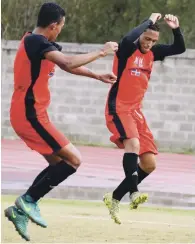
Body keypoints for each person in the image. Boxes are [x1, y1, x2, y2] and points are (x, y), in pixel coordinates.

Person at [4, 2, 118, 241]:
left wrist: (96, 75)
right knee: (74, 160)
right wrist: (102, 51)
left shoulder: (42, 45)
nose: (61, 31)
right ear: (53, 25)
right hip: (30, 114)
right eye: (61, 27)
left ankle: (19, 211)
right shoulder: (35, 42)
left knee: (58, 164)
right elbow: (66, 62)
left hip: (32, 113)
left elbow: (67, 66)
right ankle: (27, 201)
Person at [103, 13, 186, 224]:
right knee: (133, 143)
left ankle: (114, 197)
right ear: (140, 36)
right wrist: (148, 22)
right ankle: (133, 193)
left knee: (149, 164)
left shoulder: (153, 54)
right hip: (119, 107)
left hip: (136, 111)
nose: (149, 43)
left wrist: (175, 29)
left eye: (153, 41)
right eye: (146, 38)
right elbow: (126, 39)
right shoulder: (126, 51)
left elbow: (179, 48)